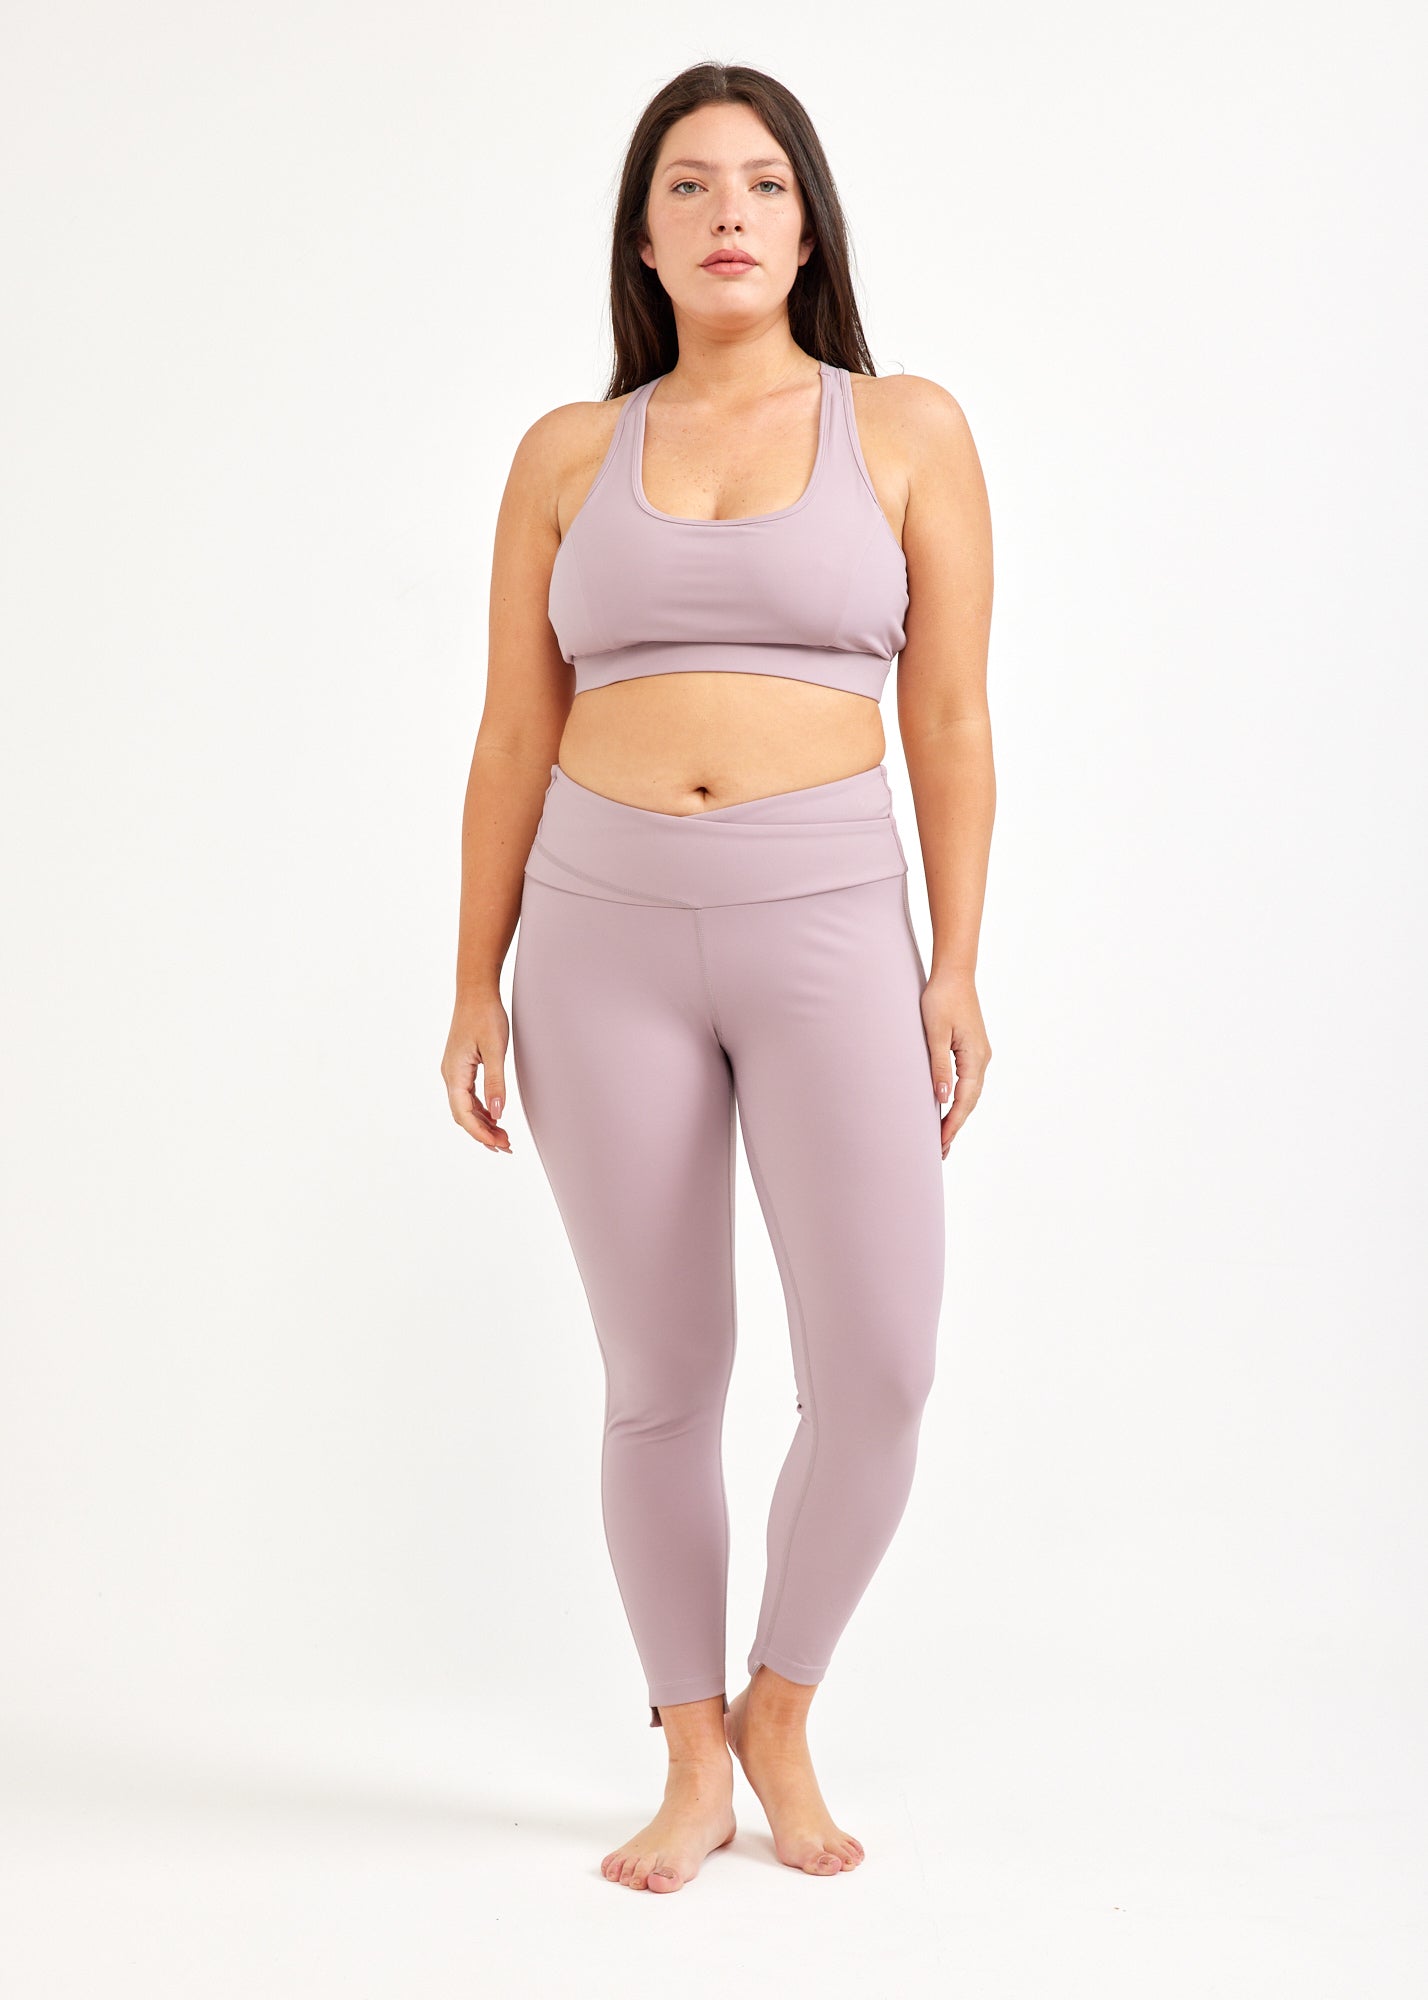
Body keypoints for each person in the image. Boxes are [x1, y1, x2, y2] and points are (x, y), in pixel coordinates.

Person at [442, 61, 995, 1893]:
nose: (728, 212)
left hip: (830, 926)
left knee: (883, 1367)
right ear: (645, 237)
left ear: (809, 226)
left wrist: (957, 965)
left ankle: (781, 1702)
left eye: (762, 183)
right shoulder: (565, 455)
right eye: (688, 186)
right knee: (663, 1370)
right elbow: (510, 737)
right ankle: (690, 1752)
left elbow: (952, 719)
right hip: (597, 939)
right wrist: (472, 979)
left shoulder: (905, 427)